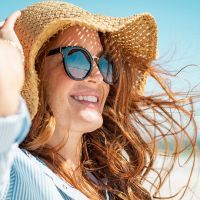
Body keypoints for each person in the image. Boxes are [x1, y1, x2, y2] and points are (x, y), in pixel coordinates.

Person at [0, 1, 197, 200]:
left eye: (103, 63)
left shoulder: (107, 182)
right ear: (34, 72)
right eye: (77, 58)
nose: (97, 76)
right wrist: (7, 50)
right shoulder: (13, 172)